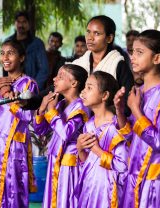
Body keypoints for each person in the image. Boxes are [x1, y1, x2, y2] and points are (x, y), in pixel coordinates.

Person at [114, 29, 160, 207]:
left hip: (154, 175)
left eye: (139, 52)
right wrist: (120, 110)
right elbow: (130, 136)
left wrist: (136, 110)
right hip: (135, 169)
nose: (133, 57)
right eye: (132, 52)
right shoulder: (139, 91)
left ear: (157, 58)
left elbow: (159, 142)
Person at [0, 40, 38, 208]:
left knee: (13, 187)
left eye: (10, 53)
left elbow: (28, 116)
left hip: (14, 145)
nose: (5, 57)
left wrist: (9, 97)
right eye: (2, 53)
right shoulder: (0, 83)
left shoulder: (28, 84)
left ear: (21, 58)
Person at [32, 64, 89, 208]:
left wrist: (51, 112)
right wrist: (43, 109)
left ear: (74, 83)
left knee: (66, 200)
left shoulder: (81, 108)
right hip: (55, 159)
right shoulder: (60, 104)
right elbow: (41, 130)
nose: (54, 79)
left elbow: (65, 133)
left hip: (69, 164)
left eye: (61, 76)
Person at [75, 71, 128, 207]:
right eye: (85, 87)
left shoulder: (115, 127)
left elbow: (122, 166)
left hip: (107, 192)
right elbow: (88, 163)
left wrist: (98, 151)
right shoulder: (88, 124)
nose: (83, 91)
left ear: (104, 95)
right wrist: (80, 149)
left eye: (89, 87)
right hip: (89, 187)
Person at [72, 15, 134, 103]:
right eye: (88, 32)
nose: (90, 38)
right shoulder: (79, 63)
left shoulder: (118, 65)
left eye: (97, 33)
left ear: (109, 38)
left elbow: (128, 101)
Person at [5, 11, 49, 91]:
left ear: (29, 24)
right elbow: (4, 66)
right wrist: (6, 88)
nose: (21, 25)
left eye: (24, 22)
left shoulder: (37, 43)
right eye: (18, 22)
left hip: (31, 89)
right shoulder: (8, 42)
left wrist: (33, 87)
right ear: (15, 24)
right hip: (11, 89)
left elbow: (44, 69)